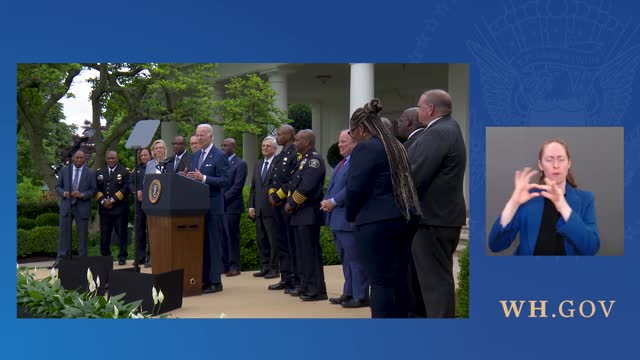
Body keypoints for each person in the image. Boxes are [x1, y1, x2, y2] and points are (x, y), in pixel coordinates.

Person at [346, 99, 422, 318]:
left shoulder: (366, 148)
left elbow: (356, 189)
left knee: (380, 283)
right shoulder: (396, 145)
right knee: (398, 280)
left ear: (361, 129)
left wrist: (351, 215)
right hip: (404, 217)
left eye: (352, 132)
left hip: (376, 222)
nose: (353, 137)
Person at [407, 89, 467, 318]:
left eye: (420, 106)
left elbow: (415, 175)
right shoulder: (450, 128)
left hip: (433, 219)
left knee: (435, 283)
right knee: (431, 281)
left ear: (429, 109)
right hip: (442, 217)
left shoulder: (438, 132)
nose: (419, 110)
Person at [488, 138, 600, 255]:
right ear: (540, 165)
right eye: (549, 160)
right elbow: (496, 244)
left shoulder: (586, 199)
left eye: (561, 159)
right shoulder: (528, 198)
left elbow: (591, 248)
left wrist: (563, 207)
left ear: (569, 163)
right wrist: (513, 203)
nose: (556, 165)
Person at [321, 129, 369, 308]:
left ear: (355, 143)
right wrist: (326, 201)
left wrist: (332, 201)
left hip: (348, 219)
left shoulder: (357, 162)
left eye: (343, 141)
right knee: (346, 259)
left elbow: (352, 188)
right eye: (339, 141)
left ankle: (361, 295)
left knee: (355, 259)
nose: (339, 145)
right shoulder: (343, 163)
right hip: (337, 219)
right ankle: (349, 292)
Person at [186, 124, 230, 294]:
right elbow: (193, 177)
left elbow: (225, 181)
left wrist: (203, 177)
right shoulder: (195, 155)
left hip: (213, 207)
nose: (198, 138)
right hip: (197, 208)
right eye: (197, 135)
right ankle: (204, 279)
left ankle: (215, 282)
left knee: (213, 245)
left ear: (211, 136)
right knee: (201, 245)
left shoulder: (219, 156)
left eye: (202, 135)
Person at [285, 129, 327, 301]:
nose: (294, 143)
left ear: (307, 142)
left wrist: (292, 203)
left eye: (297, 140)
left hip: (307, 213)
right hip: (299, 214)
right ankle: (306, 284)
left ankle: (316, 289)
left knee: (309, 253)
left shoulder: (314, 161)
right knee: (302, 254)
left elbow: (307, 187)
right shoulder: (304, 160)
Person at [266, 124, 299, 292]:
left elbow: (293, 180)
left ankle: (294, 278)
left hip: (287, 205)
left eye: (279, 134)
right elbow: (273, 178)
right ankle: (285, 277)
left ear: (288, 136)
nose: (277, 137)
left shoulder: (295, 154)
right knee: (281, 243)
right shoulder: (280, 156)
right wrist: (272, 194)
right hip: (276, 206)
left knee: (290, 243)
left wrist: (278, 196)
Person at [53, 150, 97, 268]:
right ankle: (61, 259)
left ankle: (82, 261)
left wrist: (82, 195)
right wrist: (65, 193)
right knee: (64, 233)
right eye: (77, 158)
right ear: (73, 158)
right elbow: (57, 186)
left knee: (82, 235)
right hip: (67, 206)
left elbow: (93, 190)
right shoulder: (64, 170)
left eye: (81, 158)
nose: (79, 160)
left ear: (85, 159)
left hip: (82, 207)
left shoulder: (90, 173)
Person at [248, 136, 280, 279]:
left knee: (273, 240)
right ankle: (265, 266)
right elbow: (254, 188)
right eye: (263, 145)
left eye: (268, 146)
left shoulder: (278, 163)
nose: (265, 148)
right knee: (261, 240)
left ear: (274, 148)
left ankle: (274, 268)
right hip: (259, 209)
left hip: (272, 209)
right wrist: (251, 206)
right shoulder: (258, 164)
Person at [95, 150, 130, 265]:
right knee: (105, 235)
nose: (111, 160)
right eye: (109, 158)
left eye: (113, 158)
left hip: (119, 209)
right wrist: (103, 200)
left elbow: (125, 188)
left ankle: (122, 256)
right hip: (104, 209)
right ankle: (105, 256)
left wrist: (113, 199)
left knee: (121, 234)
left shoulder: (124, 171)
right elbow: (96, 188)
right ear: (106, 159)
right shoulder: (100, 172)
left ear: (117, 159)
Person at [220, 138, 248, 276]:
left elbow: (237, 187)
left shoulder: (240, 164)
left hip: (231, 206)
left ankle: (234, 266)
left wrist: (222, 200)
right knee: (222, 237)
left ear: (233, 147)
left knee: (231, 237)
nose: (222, 147)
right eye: (222, 145)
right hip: (220, 207)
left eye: (225, 145)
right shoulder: (221, 162)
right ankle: (224, 265)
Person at [130, 147, 151, 267]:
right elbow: (130, 182)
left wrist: (143, 191)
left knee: (150, 231)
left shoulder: (153, 167)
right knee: (139, 230)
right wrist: (135, 192)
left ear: (150, 155)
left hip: (151, 202)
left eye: (145, 155)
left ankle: (150, 256)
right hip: (139, 203)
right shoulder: (137, 169)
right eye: (142, 155)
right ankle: (140, 256)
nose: (143, 157)